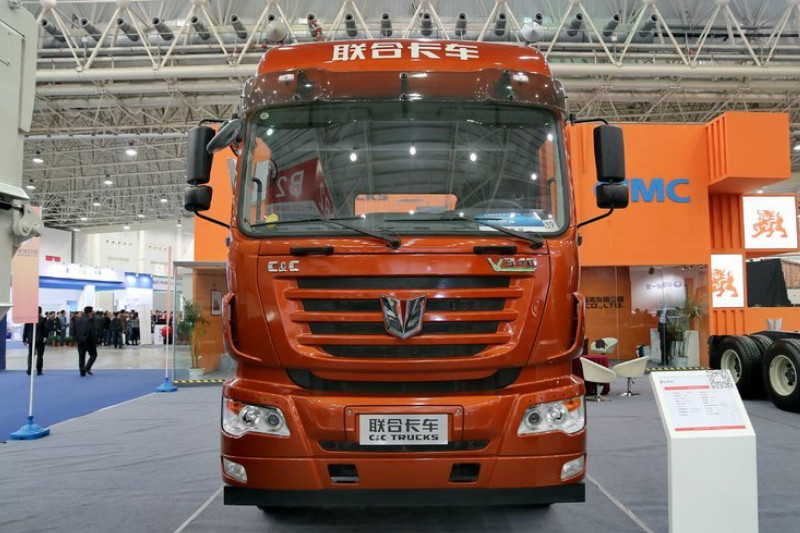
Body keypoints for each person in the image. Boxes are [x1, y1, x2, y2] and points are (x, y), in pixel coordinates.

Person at [23, 307, 49, 375]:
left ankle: (29, 369)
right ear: (41, 312)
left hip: (31, 339)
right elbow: (46, 329)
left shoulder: (29, 319)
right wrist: (45, 336)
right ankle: (39, 370)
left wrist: (24, 338)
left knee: (30, 354)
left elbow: (26, 329)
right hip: (40, 339)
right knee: (40, 355)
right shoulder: (43, 319)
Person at [75, 306, 98, 376]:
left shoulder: (77, 319)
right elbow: (91, 331)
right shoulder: (90, 320)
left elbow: (74, 330)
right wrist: (95, 340)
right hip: (89, 340)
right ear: (90, 312)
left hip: (80, 341)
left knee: (81, 357)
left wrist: (77, 339)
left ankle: (82, 372)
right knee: (93, 355)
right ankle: (87, 368)